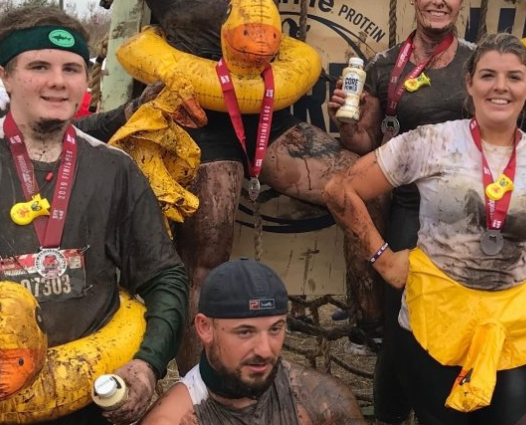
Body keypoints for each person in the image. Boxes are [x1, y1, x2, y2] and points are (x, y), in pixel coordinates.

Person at [325, 32, 526, 425]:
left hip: (513, 321)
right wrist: (382, 258)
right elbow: (340, 190)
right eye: (488, 76)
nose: (501, 87)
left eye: (514, 77)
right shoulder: (430, 142)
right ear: (469, 83)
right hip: (436, 317)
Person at [127, 0, 384, 375]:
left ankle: (370, 328)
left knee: (366, 187)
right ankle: (198, 387)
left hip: (268, 112)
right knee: (205, 258)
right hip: (198, 119)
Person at [0, 6, 189, 424]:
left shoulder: (116, 169)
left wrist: (148, 364)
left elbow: (165, 278)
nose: (58, 81)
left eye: (72, 69)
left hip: (89, 398)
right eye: (39, 66)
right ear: (5, 76)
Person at [326, 0, 475, 422]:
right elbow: (363, 144)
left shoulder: (478, 61)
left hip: (468, 209)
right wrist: (345, 119)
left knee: (457, 327)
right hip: (409, 206)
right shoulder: (383, 66)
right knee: (401, 333)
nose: (438, 2)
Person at [140, 258, 365, 425]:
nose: (265, 350)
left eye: (275, 329)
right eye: (245, 332)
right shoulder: (172, 418)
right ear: (205, 328)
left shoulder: (324, 402)